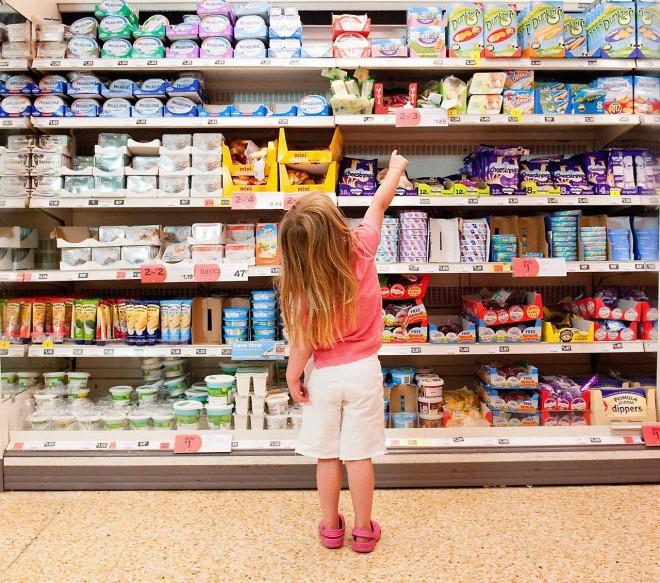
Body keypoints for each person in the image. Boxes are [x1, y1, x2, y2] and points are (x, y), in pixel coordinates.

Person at [277, 150, 409, 553]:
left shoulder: (302, 286)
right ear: (338, 225)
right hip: (364, 371)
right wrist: (397, 168)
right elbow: (379, 202)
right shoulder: (362, 245)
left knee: (327, 456)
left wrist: (292, 375)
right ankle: (365, 530)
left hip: (326, 377)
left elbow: (302, 343)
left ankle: (331, 527)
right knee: (360, 456)